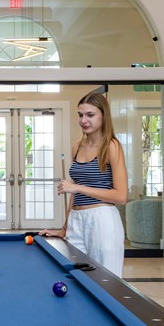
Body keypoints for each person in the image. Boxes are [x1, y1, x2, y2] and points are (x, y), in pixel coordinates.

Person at [40, 91, 129, 274]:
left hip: (102, 219)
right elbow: (74, 192)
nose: (83, 120)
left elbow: (120, 196)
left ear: (103, 116)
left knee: (106, 280)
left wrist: (77, 187)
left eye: (90, 115)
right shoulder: (77, 146)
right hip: (76, 220)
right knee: (76, 277)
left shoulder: (111, 146)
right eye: (80, 115)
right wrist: (64, 228)